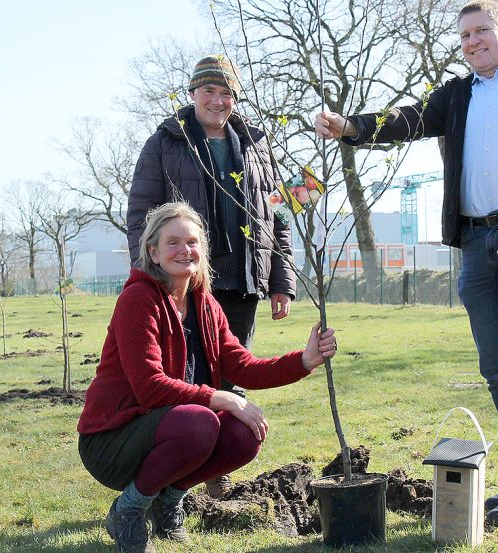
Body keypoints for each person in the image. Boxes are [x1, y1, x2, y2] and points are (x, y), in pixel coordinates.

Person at [313, 0, 498, 526]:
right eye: (464, 35)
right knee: (495, 366)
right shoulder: (456, 94)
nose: (472, 42)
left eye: (481, 31)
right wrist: (350, 126)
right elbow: (406, 120)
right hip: (473, 243)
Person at [78, 202, 336, 553]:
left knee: (244, 433)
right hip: (113, 441)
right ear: (153, 252)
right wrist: (224, 398)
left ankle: (169, 502)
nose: (185, 250)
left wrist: (304, 361)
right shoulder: (137, 300)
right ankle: (128, 510)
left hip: (166, 430)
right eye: (173, 242)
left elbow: (242, 366)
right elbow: (151, 388)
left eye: (192, 242)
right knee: (201, 421)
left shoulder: (206, 305)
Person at [128, 53, 297, 498]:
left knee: (231, 374)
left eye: (226, 93)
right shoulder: (166, 142)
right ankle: (172, 479)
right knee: (180, 375)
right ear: (193, 94)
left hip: (242, 279)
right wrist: (150, 280)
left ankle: (214, 476)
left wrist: (281, 281)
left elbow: (276, 217)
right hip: (182, 283)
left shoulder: (257, 146)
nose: (217, 101)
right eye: (209, 91)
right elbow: (139, 216)